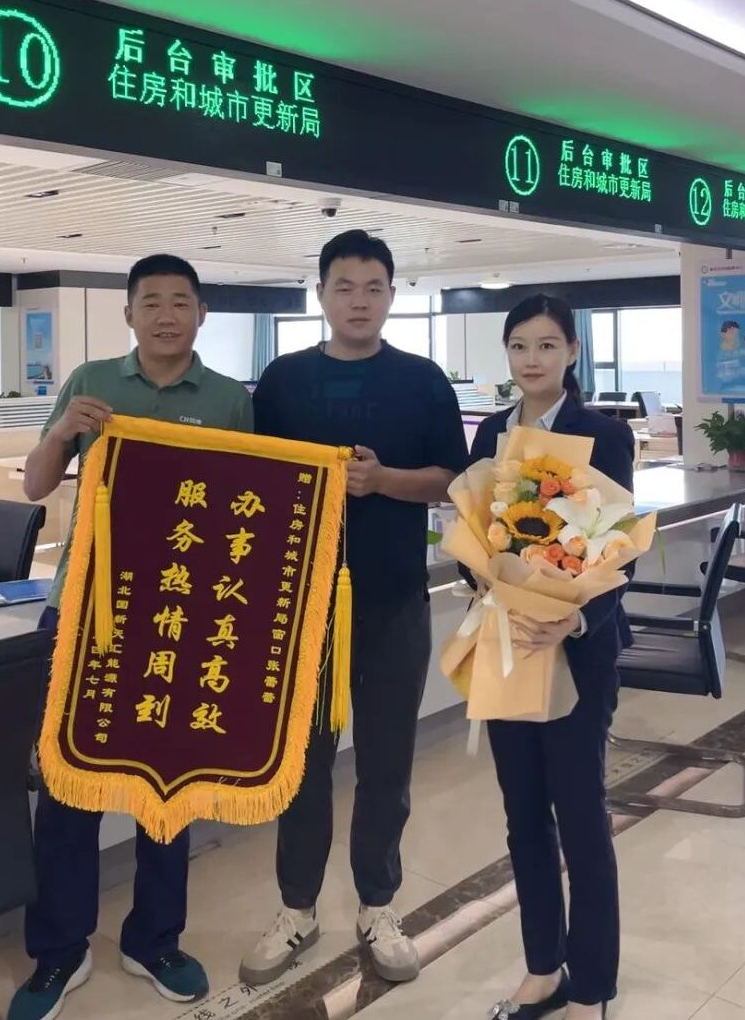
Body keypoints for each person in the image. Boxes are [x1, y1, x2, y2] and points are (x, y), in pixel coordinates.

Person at [8, 254, 253, 1020]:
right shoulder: (91, 381)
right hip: (84, 609)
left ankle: (154, 939)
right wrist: (63, 433)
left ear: (202, 313)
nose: (166, 315)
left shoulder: (229, 400)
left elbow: (248, 507)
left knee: (167, 786)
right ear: (129, 315)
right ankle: (60, 948)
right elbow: (35, 484)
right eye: (152, 302)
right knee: (67, 783)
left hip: (177, 616)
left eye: (181, 301)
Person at [241, 229, 468, 986]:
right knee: (302, 766)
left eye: (374, 288)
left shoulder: (423, 381)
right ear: (321, 295)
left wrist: (384, 481)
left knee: (386, 763)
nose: (359, 301)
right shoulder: (282, 381)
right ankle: (297, 909)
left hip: (394, 600)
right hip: (300, 608)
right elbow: (253, 480)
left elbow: (453, 479)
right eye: (344, 287)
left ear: (393, 296)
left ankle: (378, 905)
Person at [468, 295, 633, 1020]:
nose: (531, 359)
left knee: (581, 817)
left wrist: (575, 618)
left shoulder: (604, 434)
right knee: (524, 816)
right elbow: (476, 530)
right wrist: (487, 581)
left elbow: (619, 547)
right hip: (508, 645)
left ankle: (591, 984)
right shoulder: (490, 433)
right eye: (518, 346)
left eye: (545, 345)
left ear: (571, 352)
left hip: (577, 652)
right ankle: (543, 968)